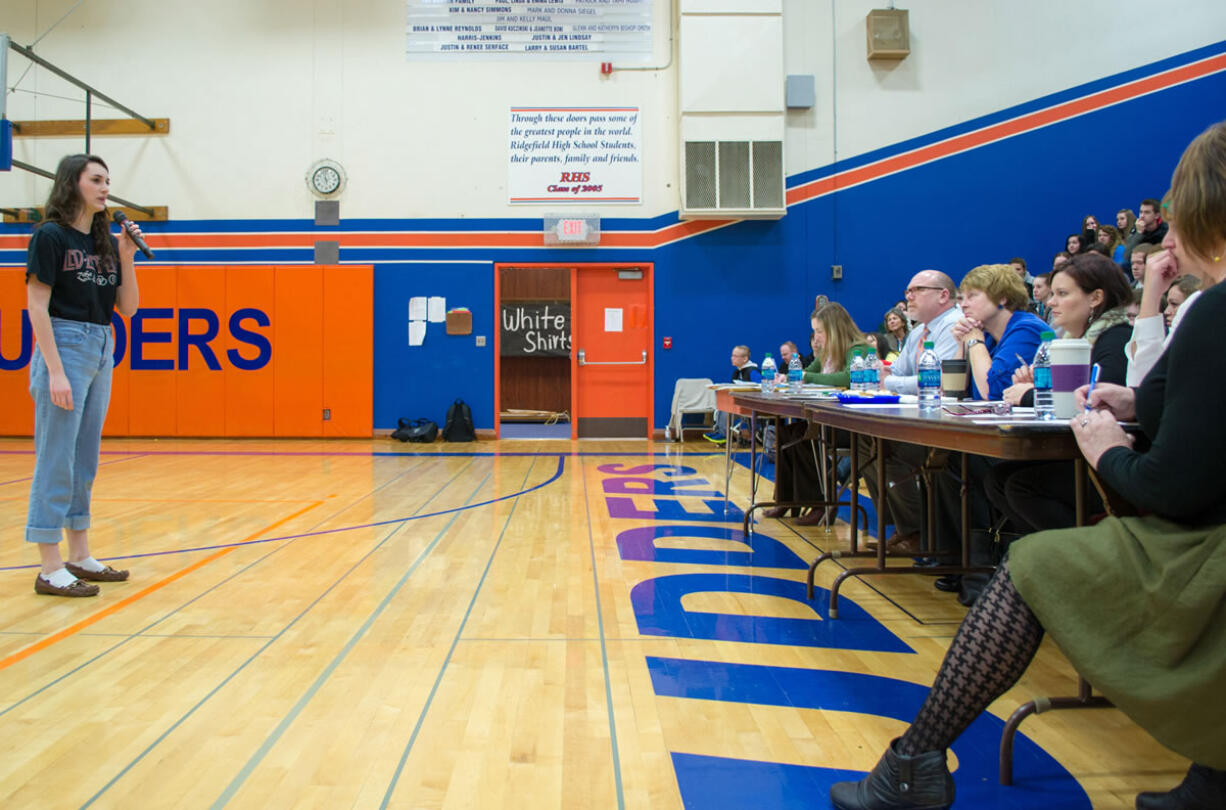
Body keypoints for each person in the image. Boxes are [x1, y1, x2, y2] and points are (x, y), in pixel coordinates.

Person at [829, 120, 1226, 810]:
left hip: (1208, 548)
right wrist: (1139, 396)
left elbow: (1175, 490)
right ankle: (1214, 774)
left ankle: (916, 760)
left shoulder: (1214, 312)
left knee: (1036, 563)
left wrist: (1108, 453)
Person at [25, 154, 142, 597]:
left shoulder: (104, 243)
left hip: (100, 343)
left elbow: (127, 308)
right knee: (56, 455)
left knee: (85, 458)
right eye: (96, 179)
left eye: (108, 180)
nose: (104, 187)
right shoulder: (50, 237)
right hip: (65, 342)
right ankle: (49, 564)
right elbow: (37, 305)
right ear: (72, 183)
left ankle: (79, 553)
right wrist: (54, 371)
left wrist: (127, 257)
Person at [991, 252, 1134, 534]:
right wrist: (1040, 386)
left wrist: (1031, 394)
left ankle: (1087, 560)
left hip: (1117, 459)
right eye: (1052, 293)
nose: (1050, 302)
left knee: (1022, 486)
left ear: (1095, 298)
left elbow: (1096, 400)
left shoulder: (1116, 339)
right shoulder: (1075, 341)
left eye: (1062, 293)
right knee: (997, 478)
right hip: (1079, 451)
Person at [861, 270, 962, 551]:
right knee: (865, 440)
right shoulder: (919, 331)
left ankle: (917, 531)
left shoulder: (955, 325)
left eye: (917, 290)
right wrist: (887, 374)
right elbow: (900, 372)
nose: (908, 296)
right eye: (907, 291)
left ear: (943, 295)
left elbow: (934, 380)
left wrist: (890, 380)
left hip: (944, 424)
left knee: (884, 446)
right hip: (918, 415)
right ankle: (906, 528)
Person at [766, 302, 869, 525]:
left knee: (804, 439)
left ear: (835, 329)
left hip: (849, 421)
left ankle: (820, 503)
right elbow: (805, 373)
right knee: (785, 434)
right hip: (825, 417)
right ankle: (787, 500)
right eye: (814, 331)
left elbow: (847, 378)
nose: (817, 336)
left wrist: (804, 376)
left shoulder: (858, 349)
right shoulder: (826, 354)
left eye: (820, 331)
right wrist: (788, 378)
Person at [953, 264, 1047, 401]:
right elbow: (952, 389)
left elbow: (992, 392)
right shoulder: (987, 333)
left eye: (972, 296)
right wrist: (962, 344)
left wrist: (974, 341)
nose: (963, 305)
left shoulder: (1028, 330)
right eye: (961, 298)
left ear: (1002, 298)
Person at [703, 345, 760, 443]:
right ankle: (719, 431)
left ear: (745, 359)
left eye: (735, 356)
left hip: (751, 405)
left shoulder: (753, 372)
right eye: (732, 355)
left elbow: (760, 388)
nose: (732, 358)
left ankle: (724, 434)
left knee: (727, 410)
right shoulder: (736, 373)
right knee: (722, 406)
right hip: (740, 404)